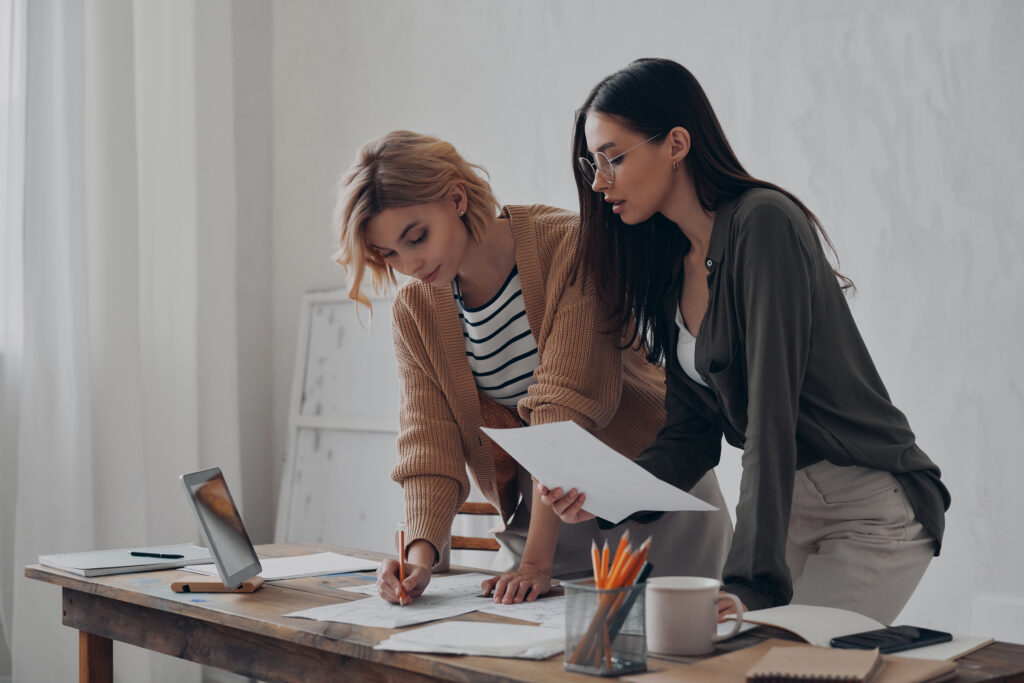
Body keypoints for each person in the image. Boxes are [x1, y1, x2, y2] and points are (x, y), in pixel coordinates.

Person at [539, 59, 950, 624]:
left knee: (781, 660)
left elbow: (770, 416)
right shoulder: (668, 265)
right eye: (593, 163)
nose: (599, 180)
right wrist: (608, 497)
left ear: (677, 143)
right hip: (791, 511)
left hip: (870, 512)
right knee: (733, 657)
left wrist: (749, 584)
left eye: (613, 157)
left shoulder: (765, 224)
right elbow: (691, 434)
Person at [332, 130, 733, 606]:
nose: (409, 264)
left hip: (652, 502)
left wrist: (536, 563)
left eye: (416, 237)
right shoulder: (415, 310)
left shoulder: (567, 243)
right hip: (552, 516)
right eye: (389, 254)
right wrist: (418, 556)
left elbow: (563, 408)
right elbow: (428, 444)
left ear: (456, 198)